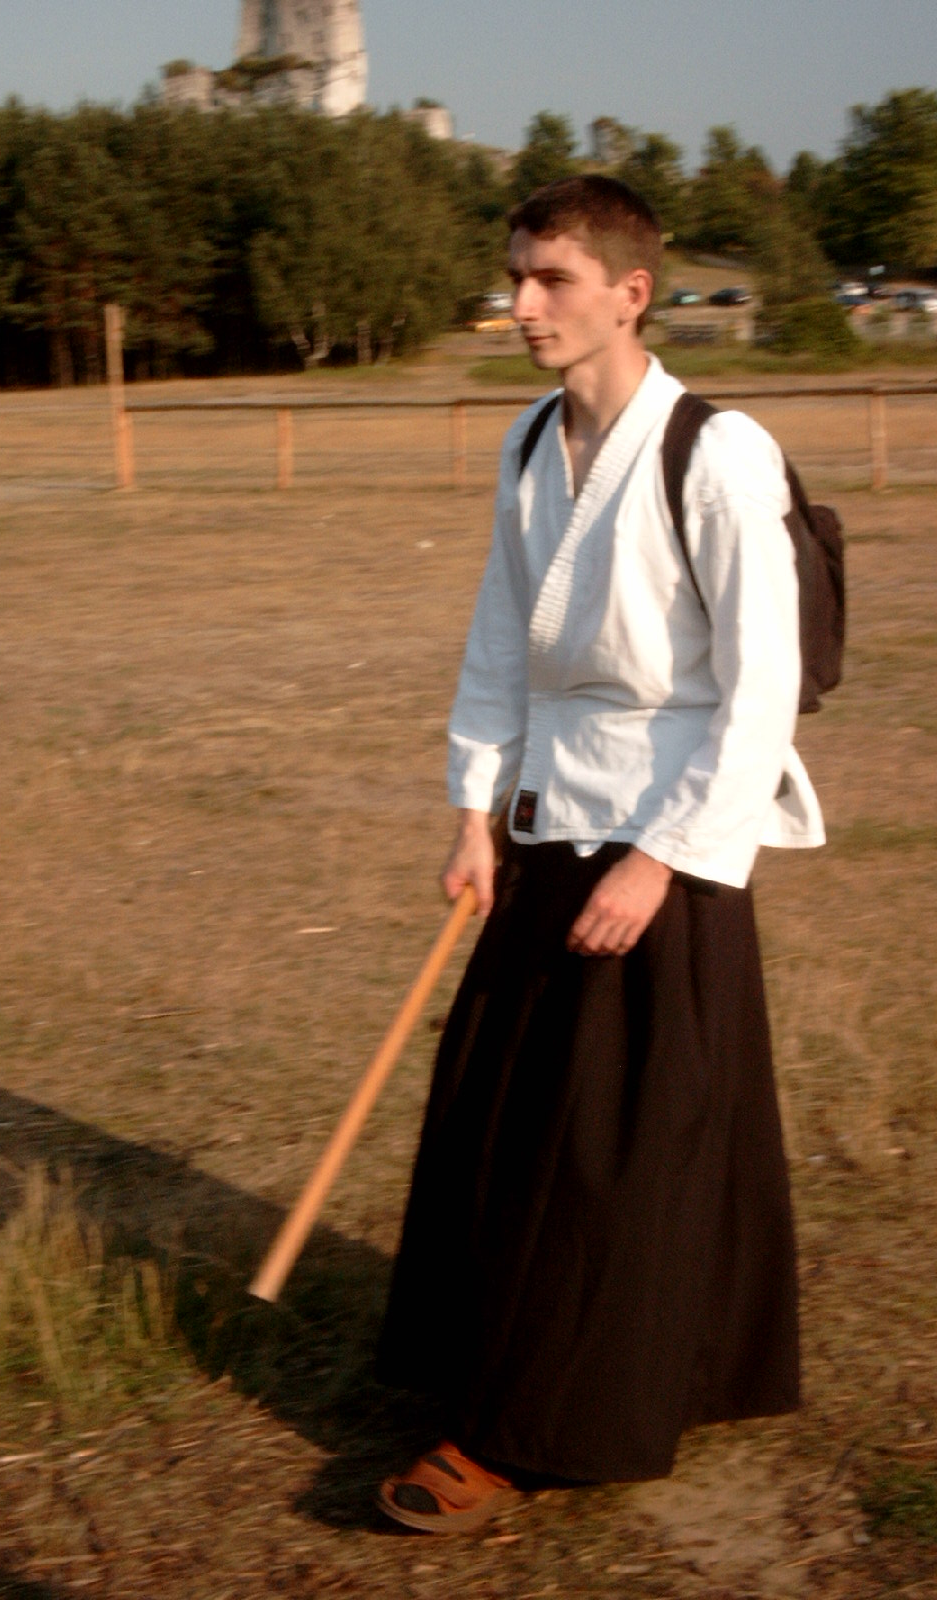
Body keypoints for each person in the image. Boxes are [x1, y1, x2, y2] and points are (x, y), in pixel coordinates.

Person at [374, 175, 825, 1534]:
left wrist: (665, 859)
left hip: (665, 841)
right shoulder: (530, 441)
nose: (523, 303)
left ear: (631, 294)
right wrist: (474, 807)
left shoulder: (718, 452)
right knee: (507, 1121)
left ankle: (531, 1430)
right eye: (518, 274)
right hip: (543, 827)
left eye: (552, 278)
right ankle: (514, 1362)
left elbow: (760, 687)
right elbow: (500, 638)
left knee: (614, 1153)